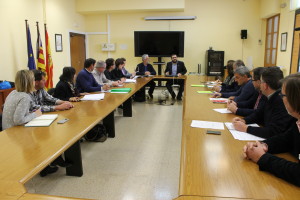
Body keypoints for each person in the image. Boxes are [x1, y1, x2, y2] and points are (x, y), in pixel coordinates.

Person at [243, 73, 300, 186]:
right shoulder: (297, 120)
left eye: (282, 95)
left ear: (294, 99)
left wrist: (262, 158)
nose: (281, 98)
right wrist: (263, 145)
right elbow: (286, 139)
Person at [232, 67, 296, 138]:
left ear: (265, 85)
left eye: (261, 82)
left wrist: (246, 128)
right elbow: (258, 114)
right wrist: (243, 120)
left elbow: (274, 131)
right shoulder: (267, 96)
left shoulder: (280, 101)